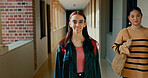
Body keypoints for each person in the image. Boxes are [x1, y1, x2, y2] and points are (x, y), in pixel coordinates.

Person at [54, 11, 101, 78]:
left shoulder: (92, 44)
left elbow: (97, 68)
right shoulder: (63, 46)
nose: (77, 25)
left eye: (81, 22)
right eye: (74, 22)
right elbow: (58, 72)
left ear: (84, 24)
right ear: (70, 24)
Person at [112, 7, 148, 78]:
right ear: (129, 18)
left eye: (138, 15)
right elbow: (115, 47)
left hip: (144, 71)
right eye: (132, 16)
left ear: (141, 16)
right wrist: (125, 46)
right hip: (128, 72)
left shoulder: (147, 32)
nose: (135, 18)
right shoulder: (124, 32)